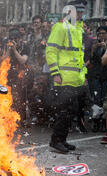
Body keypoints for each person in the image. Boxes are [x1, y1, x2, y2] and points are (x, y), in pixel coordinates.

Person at [45, 0, 89, 153]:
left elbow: (79, 57)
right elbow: (51, 52)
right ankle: (55, 140)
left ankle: (62, 139)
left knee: (71, 112)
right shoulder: (60, 27)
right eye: (79, 11)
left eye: (82, 11)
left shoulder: (78, 29)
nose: (81, 14)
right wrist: (55, 73)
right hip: (63, 79)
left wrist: (82, 77)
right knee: (64, 112)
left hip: (75, 80)